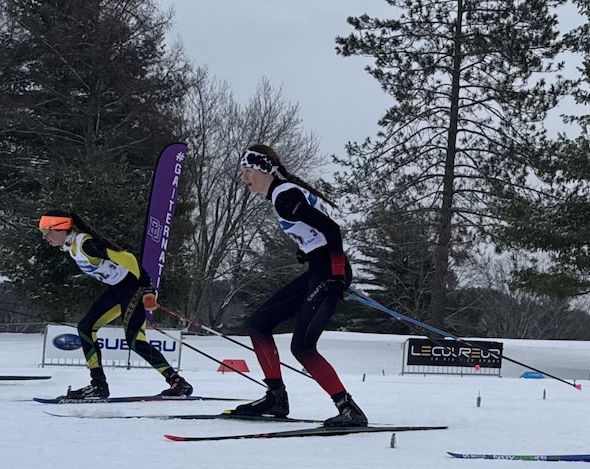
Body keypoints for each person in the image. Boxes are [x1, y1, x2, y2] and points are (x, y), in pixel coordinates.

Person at [225, 144, 367, 427]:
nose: (244, 178)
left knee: (302, 346)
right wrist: (308, 249)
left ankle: (349, 409)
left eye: (247, 171)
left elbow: (332, 229)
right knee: (258, 324)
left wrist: (337, 274)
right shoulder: (283, 194)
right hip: (319, 268)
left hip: (328, 272)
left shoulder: (285, 197)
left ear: (264, 169)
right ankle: (275, 397)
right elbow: (318, 233)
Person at [38, 210, 192, 399]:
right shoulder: (71, 245)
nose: (45, 236)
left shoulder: (84, 244)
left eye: (47, 230)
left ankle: (177, 382)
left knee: (134, 340)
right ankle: (98, 385)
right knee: (86, 328)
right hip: (117, 289)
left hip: (133, 287)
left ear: (61, 229)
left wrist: (148, 289)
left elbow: (128, 258)